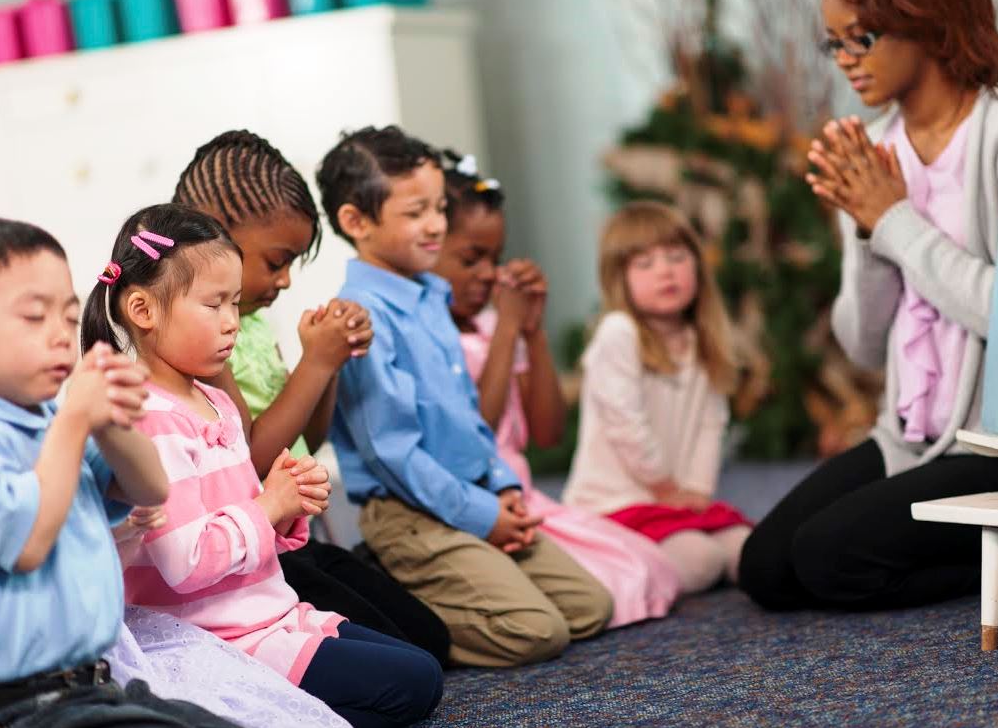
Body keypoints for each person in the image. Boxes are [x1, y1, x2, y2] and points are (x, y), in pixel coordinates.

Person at [737, 0, 998, 612]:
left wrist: (892, 222)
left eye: (858, 38)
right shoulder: (872, 149)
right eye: (831, 40)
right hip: (908, 436)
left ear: (921, 17)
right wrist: (868, 237)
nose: (843, 59)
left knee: (826, 557)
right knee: (765, 568)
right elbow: (864, 346)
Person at [82, 204, 443, 728]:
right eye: (212, 304)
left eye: (233, 302)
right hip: (217, 639)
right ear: (142, 309)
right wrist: (268, 506)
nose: (231, 322)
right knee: (413, 683)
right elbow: (185, 563)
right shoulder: (147, 418)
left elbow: (251, 520)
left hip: (270, 613)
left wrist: (289, 501)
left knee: (418, 664)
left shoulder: (216, 402)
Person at [0, 213, 257, 728]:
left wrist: (112, 426)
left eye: (66, 316)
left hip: (90, 688)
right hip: (13, 711)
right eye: (35, 318)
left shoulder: (41, 417)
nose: (62, 336)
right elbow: (26, 540)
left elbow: (149, 487)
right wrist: (76, 419)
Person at [321, 125, 613, 667]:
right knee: (536, 631)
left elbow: (470, 419)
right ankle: (395, 607)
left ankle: (456, 574)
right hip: (410, 511)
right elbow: (396, 457)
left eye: (437, 209)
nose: (435, 226)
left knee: (589, 606)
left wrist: (499, 487)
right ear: (356, 223)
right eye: (415, 213)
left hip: (470, 490)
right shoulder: (360, 316)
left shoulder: (432, 294)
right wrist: (482, 516)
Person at [172, 129, 450, 663]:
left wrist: (329, 361)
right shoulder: (206, 341)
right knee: (412, 654)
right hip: (252, 557)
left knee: (428, 637)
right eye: (275, 261)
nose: (284, 280)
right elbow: (252, 458)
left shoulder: (250, 325)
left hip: (295, 538)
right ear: (215, 241)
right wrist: (316, 362)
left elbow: (305, 442)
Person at [434, 151, 682, 626]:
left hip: (526, 498)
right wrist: (507, 330)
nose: (488, 273)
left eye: (496, 258)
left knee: (645, 570)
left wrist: (531, 330)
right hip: (475, 505)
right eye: (471, 259)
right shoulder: (439, 342)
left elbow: (547, 432)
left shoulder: (494, 327)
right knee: (606, 591)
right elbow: (474, 435)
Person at [562, 201, 752, 595]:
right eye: (644, 264)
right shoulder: (619, 332)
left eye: (676, 257)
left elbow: (710, 424)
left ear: (697, 266)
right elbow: (626, 424)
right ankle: (608, 576)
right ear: (620, 280)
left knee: (749, 551)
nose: (665, 271)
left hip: (675, 500)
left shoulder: (702, 339)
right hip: (618, 502)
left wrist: (697, 490)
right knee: (701, 561)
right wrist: (666, 487)